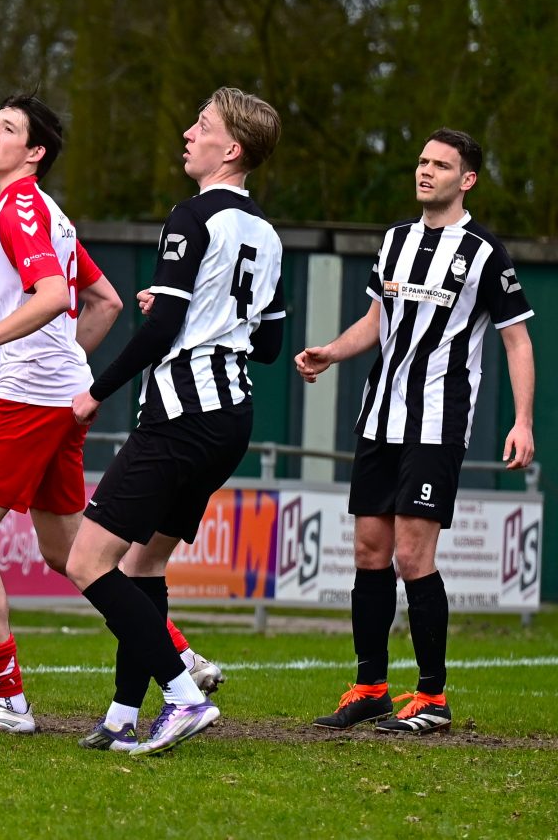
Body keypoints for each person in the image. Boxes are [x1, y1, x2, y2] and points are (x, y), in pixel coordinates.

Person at [63, 88, 286, 756]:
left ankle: (184, 695)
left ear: (232, 149)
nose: (189, 132)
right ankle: (121, 715)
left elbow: (162, 330)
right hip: (230, 417)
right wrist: (185, 312)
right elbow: (269, 343)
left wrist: (95, 390)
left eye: (202, 125)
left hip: (181, 413)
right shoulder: (268, 234)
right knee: (143, 564)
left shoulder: (192, 216)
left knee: (87, 561)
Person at [296, 129, 535, 735]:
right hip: (380, 417)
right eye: (423, 161)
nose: (426, 171)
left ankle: (432, 698)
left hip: (437, 423)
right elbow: (376, 320)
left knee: (411, 554)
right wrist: (331, 352)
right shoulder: (395, 240)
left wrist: (522, 421)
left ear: (467, 180)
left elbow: (517, 340)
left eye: (441, 165)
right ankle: (371, 688)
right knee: (369, 552)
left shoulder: (485, 253)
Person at [0, 96, 123, 731]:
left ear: (34, 153)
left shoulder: (21, 208)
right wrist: (68, 368)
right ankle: (178, 657)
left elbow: (56, 296)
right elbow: (106, 301)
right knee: (68, 553)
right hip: (59, 397)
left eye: (7, 129)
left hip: (29, 397)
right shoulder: (46, 213)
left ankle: (6, 701)